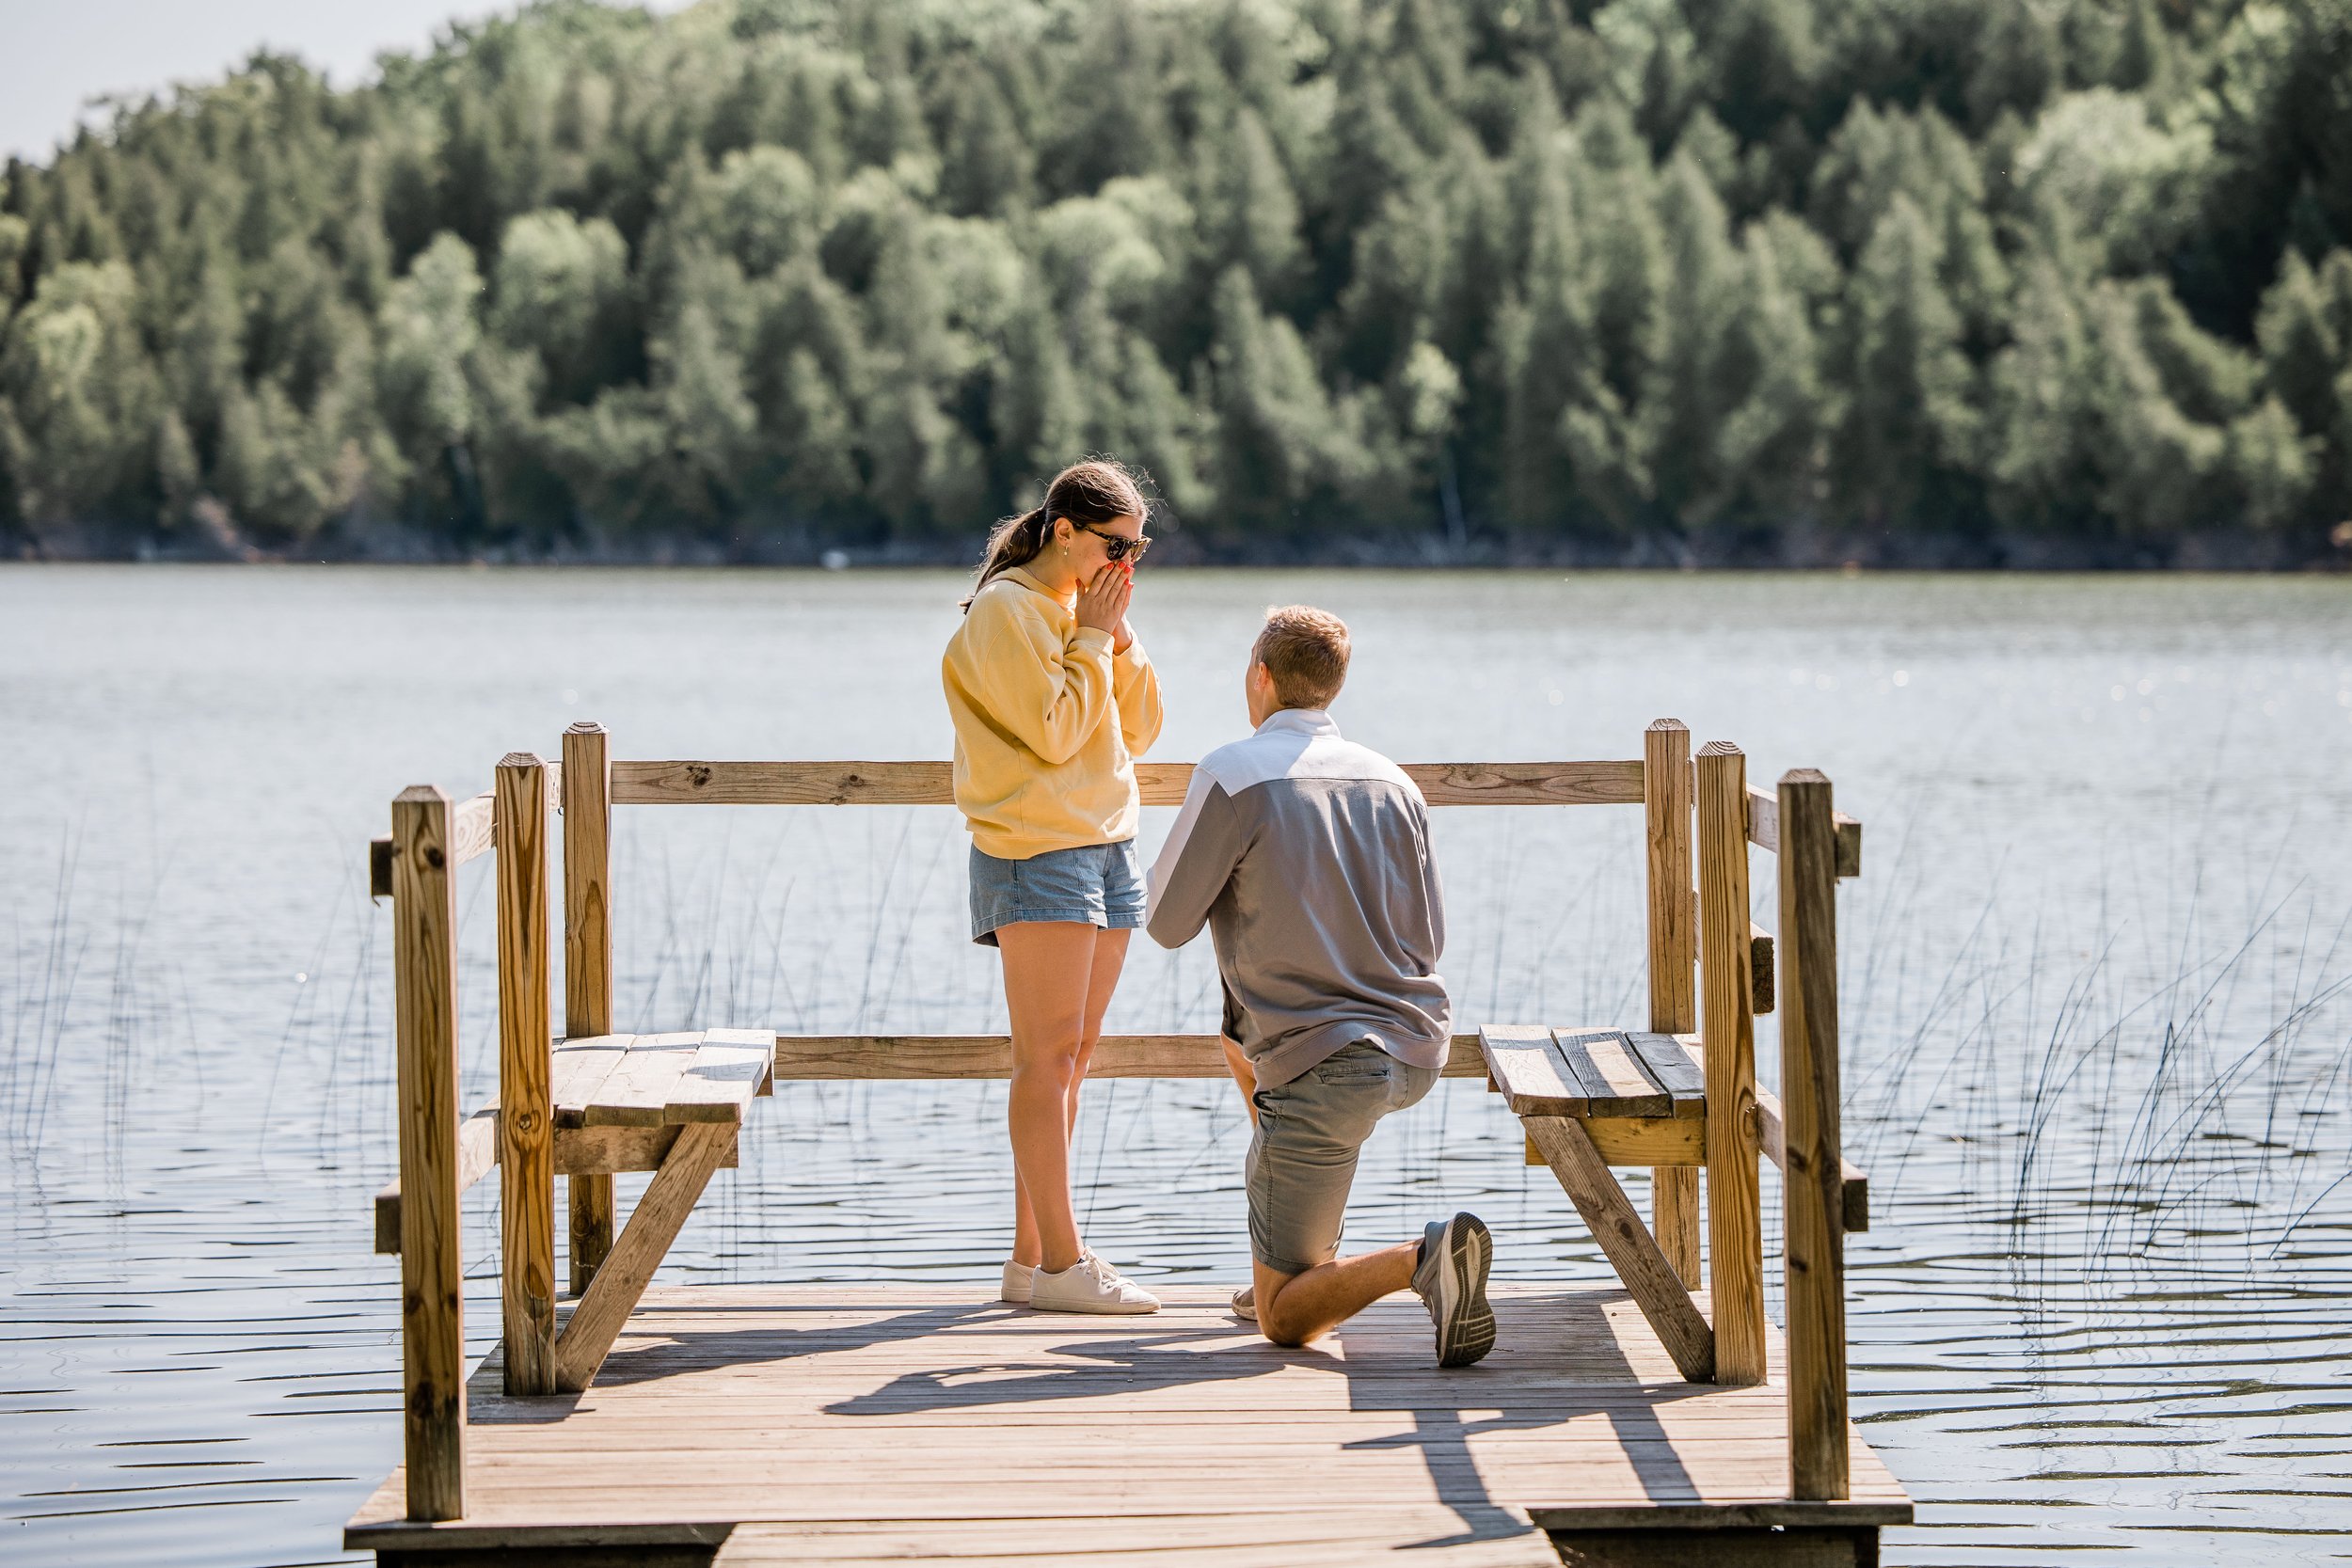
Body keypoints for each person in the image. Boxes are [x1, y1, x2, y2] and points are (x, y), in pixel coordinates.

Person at [1145, 606, 1495, 1366]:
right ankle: (1284, 1252)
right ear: (1333, 686)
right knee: (1239, 1042)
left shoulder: (1233, 773)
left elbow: (1167, 921)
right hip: (1413, 1050)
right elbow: (1428, 937)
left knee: (1285, 1320)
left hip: (1327, 1068)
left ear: (1261, 675)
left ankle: (1423, 1258)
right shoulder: (1394, 781)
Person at [942, 458, 1165, 1315]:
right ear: (1064, 531)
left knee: (1074, 1060)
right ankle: (1067, 1262)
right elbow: (1055, 734)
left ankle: (1031, 1265)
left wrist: (1119, 637)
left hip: (1107, 848)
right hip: (1037, 850)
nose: (1128, 564)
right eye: (1117, 544)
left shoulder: (1084, 614)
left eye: (1140, 549)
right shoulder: (1007, 614)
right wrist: (1094, 639)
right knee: (1045, 1060)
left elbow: (1140, 727)